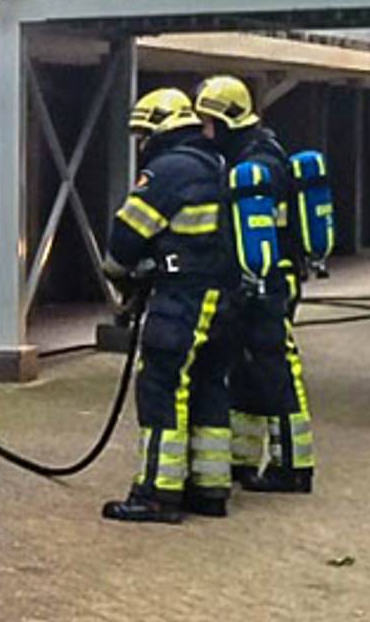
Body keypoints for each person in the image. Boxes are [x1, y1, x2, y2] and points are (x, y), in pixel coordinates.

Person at [101, 88, 236, 524]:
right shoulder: (216, 163)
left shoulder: (167, 171)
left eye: (144, 133)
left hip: (182, 297)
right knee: (209, 385)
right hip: (223, 298)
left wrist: (123, 272)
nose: (141, 144)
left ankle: (157, 493)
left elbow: (124, 241)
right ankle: (210, 488)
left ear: (161, 128)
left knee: (162, 386)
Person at [194, 75, 315, 493]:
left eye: (208, 123)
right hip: (257, 279)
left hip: (267, 281)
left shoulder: (256, 164)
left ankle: (293, 466)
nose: (205, 132)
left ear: (227, 120)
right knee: (243, 368)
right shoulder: (255, 152)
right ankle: (243, 460)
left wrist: (254, 282)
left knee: (275, 369)